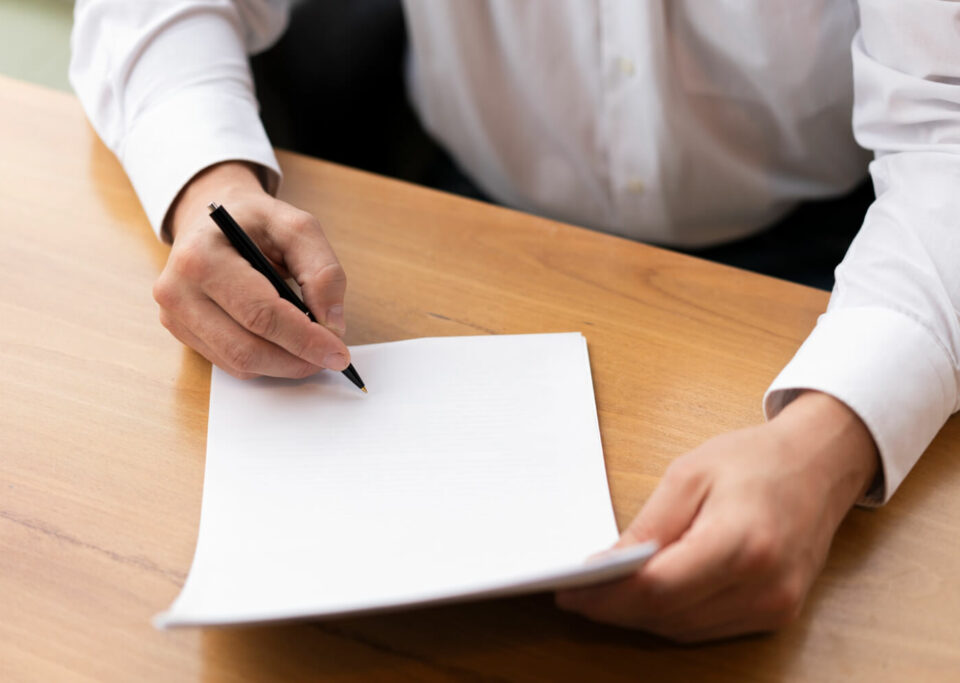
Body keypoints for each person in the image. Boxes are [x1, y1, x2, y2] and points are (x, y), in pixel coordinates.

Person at [70, 0, 960, 642]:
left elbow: (947, 136)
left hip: (842, 265)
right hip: (470, 231)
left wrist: (830, 442)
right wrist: (209, 183)